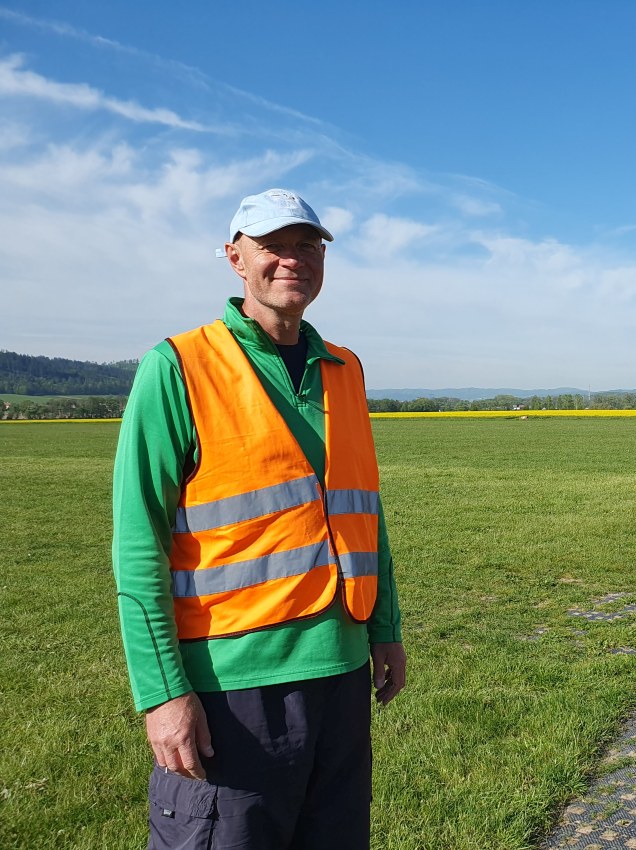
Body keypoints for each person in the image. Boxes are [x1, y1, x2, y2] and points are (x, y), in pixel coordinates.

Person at [112, 188, 406, 849]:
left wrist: (384, 629)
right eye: (272, 246)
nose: (292, 259)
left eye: (308, 246)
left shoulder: (345, 370)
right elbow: (138, 544)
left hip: (340, 676)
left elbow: (364, 512)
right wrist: (162, 694)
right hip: (232, 687)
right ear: (235, 258)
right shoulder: (177, 367)